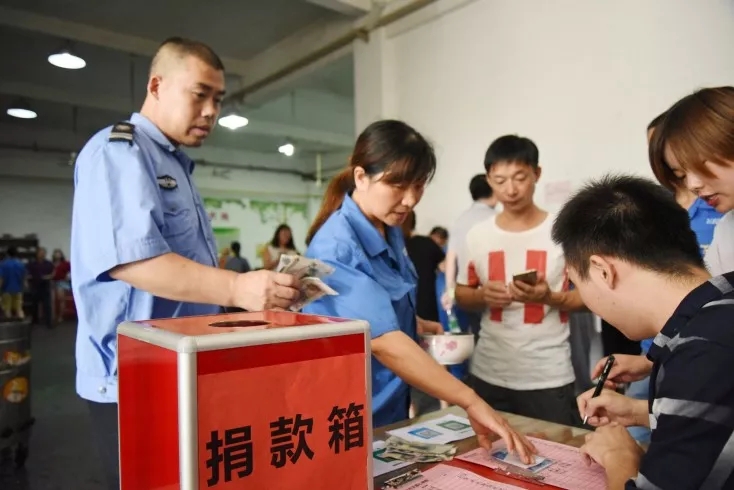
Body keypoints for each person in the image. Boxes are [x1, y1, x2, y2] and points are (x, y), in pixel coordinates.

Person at [71, 37, 300, 490]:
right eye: (199, 94)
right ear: (156, 85)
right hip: (132, 379)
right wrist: (236, 288)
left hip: (181, 367)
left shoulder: (175, 165)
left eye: (218, 99)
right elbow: (134, 263)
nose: (211, 111)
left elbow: (188, 274)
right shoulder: (119, 152)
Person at [303, 119, 536, 462]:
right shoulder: (336, 247)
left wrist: (414, 323)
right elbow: (383, 341)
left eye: (419, 186)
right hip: (349, 414)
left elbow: (376, 310)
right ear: (361, 177)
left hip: (390, 405)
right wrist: (470, 400)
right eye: (398, 185)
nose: (410, 200)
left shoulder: (388, 228)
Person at [553, 174, 734, 490]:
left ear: (602, 271)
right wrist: (643, 412)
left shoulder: (700, 350)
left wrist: (619, 456)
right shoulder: (719, 308)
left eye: (575, 283)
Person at [601, 86, 734, 405]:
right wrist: (652, 361)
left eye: (699, 165)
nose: (694, 184)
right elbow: (706, 307)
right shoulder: (728, 227)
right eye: (680, 174)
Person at [455, 135, 585, 427]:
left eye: (520, 178)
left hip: (548, 375)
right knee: (489, 451)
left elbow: (589, 299)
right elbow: (462, 294)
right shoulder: (478, 236)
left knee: (556, 451)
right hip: (489, 371)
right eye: (500, 180)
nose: (510, 190)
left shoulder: (563, 231)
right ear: (488, 179)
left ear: (537, 173)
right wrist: (483, 296)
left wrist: (548, 298)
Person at [442, 174, 498, 340]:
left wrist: (450, 291)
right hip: (492, 290)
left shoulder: (461, 220)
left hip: (465, 290)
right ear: (494, 190)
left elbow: (451, 258)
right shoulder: (497, 219)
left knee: (472, 335)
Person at [27, 247, 54, 328]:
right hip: (35, 285)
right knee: (34, 305)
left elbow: (53, 273)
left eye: (43, 253)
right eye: (40, 253)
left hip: (45, 286)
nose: (42, 254)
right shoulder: (32, 264)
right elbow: (27, 273)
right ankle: (35, 321)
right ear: (37, 254)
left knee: (47, 305)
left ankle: (48, 322)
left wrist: (49, 277)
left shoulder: (49, 264)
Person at [1, 247, 26, 319]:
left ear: (7, 254)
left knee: (7, 308)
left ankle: (9, 320)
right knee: (19, 308)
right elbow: (24, 277)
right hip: (18, 289)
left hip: (6, 289)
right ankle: (22, 321)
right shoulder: (21, 264)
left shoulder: (3, 264)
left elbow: (1, 278)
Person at [52, 249, 71, 322]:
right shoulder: (52, 264)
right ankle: (53, 316)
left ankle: (60, 316)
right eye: (56, 253)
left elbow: (71, 271)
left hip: (62, 282)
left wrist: (68, 276)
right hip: (52, 282)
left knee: (61, 299)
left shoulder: (65, 263)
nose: (57, 255)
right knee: (52, 300)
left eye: (59, 253)